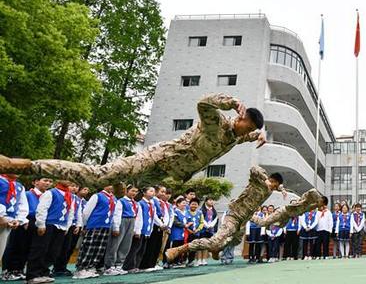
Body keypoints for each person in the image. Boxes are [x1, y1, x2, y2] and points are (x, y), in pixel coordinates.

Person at [0, 94, 267, 193]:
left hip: (166, 174)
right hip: (158, 157)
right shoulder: (217, 122)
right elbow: (204, 103)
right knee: (96, 177)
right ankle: (26, 166)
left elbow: (245, 138)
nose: (248, 130)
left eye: (252, 130)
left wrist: (260, 135)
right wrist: (230, 101)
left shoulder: (234, 137)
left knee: (125, 192)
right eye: (249, 125)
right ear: (240, 117)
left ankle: (120, 182)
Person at [165, 168, 321, 263]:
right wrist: (265, 178)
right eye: (273, 185)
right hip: (234, 216)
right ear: (270, 180)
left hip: (245, 220)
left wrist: (280, 188)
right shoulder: (258, 182)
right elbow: (254, 169)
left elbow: (275, 185)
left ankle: (216, 248)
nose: (272, 189)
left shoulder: (270, 189)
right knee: (215, 241)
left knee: (235, 240)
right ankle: (180, 249)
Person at [25, 181, 77, 284]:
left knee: (54, 251)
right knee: (40, 249)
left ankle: (44, 272)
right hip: (48, 224)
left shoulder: (71, 196)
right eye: (65, 178)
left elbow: (71, 211)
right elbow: (42, 208)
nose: (68, 181)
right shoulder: (51, 193)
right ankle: (33, 274)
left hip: (61, 226)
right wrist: (41, 224)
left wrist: (67, 226)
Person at [2, 176, 51, 281]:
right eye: (45, 180)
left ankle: (19, 270)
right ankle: (8, 270)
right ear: (35, 182)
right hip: (24, 221)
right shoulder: (29, 194)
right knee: (15, 245)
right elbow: (23, 207)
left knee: (27, 247)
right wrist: (23, 220)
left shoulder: (47, 195)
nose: (47, 183)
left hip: (35, 222)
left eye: (50, 181)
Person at [73, 185, 122, 279]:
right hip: (94, 225)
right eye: (110, 186)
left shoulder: (114, 198)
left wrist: (115, 226)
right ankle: (81, 268)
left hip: (106, 225)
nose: (112, 188)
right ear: (105, 186)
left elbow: (115, 213)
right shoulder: (97, 196)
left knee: (99, 248)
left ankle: (91, 266)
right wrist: (85, 224)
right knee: (89, 246)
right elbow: (86, 211)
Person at [103, 185, 141, 276]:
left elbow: (138, 217)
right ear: (127, 191)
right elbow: (117, 214)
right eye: (132, 191)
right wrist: (116, 227)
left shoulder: (136, 203)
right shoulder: (121, 201)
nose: (134, 193)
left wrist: (137, 230)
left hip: (131, 221)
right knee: (115, 244)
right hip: (122, 221)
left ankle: (119, 265)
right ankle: (109, 266)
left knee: (126, 245)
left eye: (136, 192)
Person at [52, 186, 88, 276]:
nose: (74, 188)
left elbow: (79, 213)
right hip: (65, 225)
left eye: (76, 187)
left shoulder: (77, 199)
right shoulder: (64, 196)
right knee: (60, 247)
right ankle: (56, 267)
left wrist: (79, 225)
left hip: (74, 226)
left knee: (69, 247)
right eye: (72, 186)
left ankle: (63, 266)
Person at [122, 187, 157, 273]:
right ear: (144, 193)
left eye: (154, 191)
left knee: (142, 250)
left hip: (147, 230)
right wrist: (137, 229)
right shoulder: (140, 203)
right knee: (134, 249)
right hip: (140, 230)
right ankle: (128, 266)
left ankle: (137, 265)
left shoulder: (152, 205)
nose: (153, 193)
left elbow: (153, 218)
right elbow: (139, 218)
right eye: (151, 191)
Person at [0, 174, 29, 278]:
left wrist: (19, 219)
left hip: (9, 219)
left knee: (1, 248)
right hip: (1, 217)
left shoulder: (19, 186)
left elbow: (22, 204)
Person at [139, 186, 168, 271]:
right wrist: (159, 224)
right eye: (161, 191)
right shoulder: (151, 201)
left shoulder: (161, 202)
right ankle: (146, 264)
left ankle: (152, 263)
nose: (163, 194)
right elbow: (153, 216)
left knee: (157, 246)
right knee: (150, 246)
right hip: (152, 225)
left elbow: (165, 214)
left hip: (159, 224)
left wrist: (163, 224)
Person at [166, 196, 188, 267]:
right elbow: (175, 222)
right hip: (176, 232)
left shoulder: (185, 212)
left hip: (183, 233)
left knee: (181, 247)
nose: (184, 205)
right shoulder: (175, 211)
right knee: (175, 246)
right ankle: (171, 262)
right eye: (183, 203)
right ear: (178, 204)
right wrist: (184, 225)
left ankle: (178, 261)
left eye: (185, 203)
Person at [185, 198, 205, 266]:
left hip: (196, 233)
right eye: (192, 204)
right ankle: (183, 260)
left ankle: (191, 261)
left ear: (198, 205)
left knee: (194, 248)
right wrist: (189, 230)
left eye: (195, 204)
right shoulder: (185, 212)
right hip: (187, 233)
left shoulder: (200, 212)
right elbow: (184, 222)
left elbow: (202, 222)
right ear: (189, 205)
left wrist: (198, 229)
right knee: (186, 247)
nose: (194, 206)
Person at [201, 197, 219, 263]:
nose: (212, 202)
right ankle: (199, 259)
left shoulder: (214, 211)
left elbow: (216, 220)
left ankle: (204, 259)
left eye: (213, 200)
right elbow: (201, 219)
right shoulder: (202, 210)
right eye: (210, 200)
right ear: (206, 201)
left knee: (207, 244)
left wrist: (214, 229)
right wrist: (206, 226)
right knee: (201, 244)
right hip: (203, 229)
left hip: (211, 230)